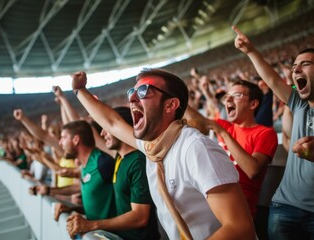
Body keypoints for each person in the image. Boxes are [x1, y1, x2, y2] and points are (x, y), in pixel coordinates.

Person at [70, 69, 256, 239]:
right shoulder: (153, 147)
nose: (133, 98)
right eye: (132, 93)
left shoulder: (196, 148)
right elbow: (111, 123)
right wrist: (80, 91)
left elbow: (240, 227)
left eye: (144, 91)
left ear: (170, 105)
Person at [233, 25, 314, 239]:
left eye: (305, 64)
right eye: (295, 65)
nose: (296, 69)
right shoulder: (299, 104)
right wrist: (250, 51)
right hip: (284, 206)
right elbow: (273, 80)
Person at [185, 78, 278, 218]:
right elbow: (199, 121)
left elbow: (252, 170)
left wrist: (223, 133)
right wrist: (177, 99)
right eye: (227, 96)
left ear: (253, 104)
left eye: (236, 95)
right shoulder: (226, 126)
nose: (228, 99)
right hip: (214, 201)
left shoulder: (266, 133)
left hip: (240, 209)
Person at [66, 107, 159, 240]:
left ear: (120, 128)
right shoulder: (119, 158)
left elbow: (140, 217)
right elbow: (87, 132)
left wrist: (92, 225)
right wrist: (73, 209)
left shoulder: (137, 162)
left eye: (107, 128)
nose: (102, 134)